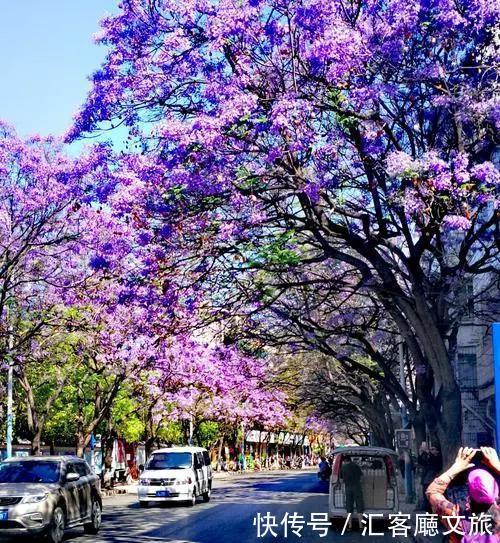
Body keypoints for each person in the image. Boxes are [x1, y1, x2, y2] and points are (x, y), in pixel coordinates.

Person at [427, 447, 500, 543]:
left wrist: (457, 467)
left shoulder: (456, 517)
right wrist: (497, 465)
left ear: (469, 496)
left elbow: (432, 492)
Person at [340, 457, 364, 530]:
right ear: (350, 460)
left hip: (348, 488)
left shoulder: (343, 468)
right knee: (359, 506)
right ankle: (361, 526)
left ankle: (350, 526)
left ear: (345, 461)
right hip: (357, 487)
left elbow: (341, 480)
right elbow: (362, 477)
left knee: (349, 507)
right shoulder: (356, 466)